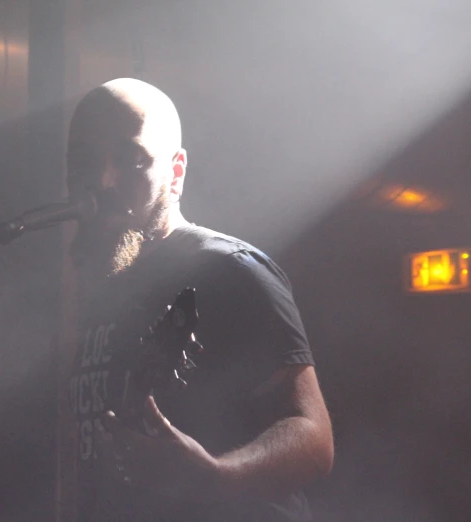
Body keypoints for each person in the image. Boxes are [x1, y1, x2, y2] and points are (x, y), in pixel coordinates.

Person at [65, 78, 334, 522]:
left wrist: (214, 477)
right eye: (85, 160)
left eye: (132, 159)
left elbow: (314, 439)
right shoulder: (108, 285)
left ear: (175, 172)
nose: (102, 180)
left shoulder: (228, 269)